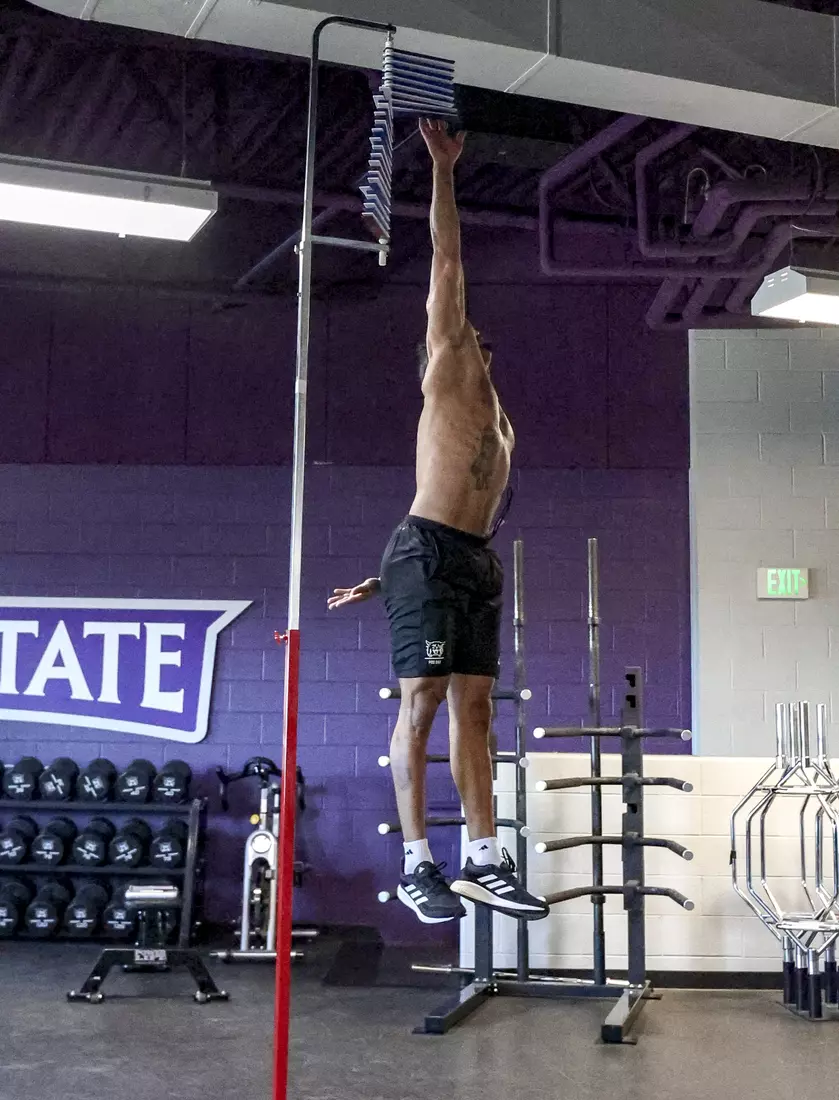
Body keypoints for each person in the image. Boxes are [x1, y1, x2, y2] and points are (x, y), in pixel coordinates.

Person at [328, 120, 548, 926]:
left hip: (470, 561)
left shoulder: (500, 416)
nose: (466, 333)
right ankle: (420, 861)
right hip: (424, 550)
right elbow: (447, 262)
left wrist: (382, 578)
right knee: (419, 699)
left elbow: (467, 493)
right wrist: (443, 171)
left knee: (477, 709)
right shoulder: (447, 360)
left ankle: (484, 861)